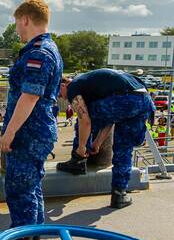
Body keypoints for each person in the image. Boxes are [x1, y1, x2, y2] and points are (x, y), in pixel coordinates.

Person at [0, 0, 63, 232]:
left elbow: (30, 97)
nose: (16, 29)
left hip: (29, 132)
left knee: (19, 190)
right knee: (31, 187)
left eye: (17, 23)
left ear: (25, 20)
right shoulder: (47, 48)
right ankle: (33, 238)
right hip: (36, 130)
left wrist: (9, 132)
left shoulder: (39, 54)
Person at [56, 69, 154, 209]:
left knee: (83, 115)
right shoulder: (93, 84)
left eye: (60, 94)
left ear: (63, 85)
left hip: (124, 98)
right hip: (143, 100)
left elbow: (85, 120)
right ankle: (119, 194)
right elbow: (112, 117)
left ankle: (77, 160)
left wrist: (82, 146)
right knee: (124, 147)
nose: (63, 99)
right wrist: (98, 142)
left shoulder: (74, 86)